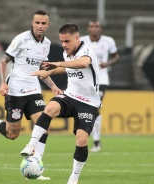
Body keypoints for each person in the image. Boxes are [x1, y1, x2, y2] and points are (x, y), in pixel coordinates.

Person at [0, 10, 62, 180]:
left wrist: (54, 87)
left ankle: (35, 164)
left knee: (44, 126)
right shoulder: (21, 39)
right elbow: (3, 60)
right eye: (37, 23)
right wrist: (3, 82)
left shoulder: (47, 43)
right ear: (32, 23)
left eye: (43, 23)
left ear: (48, 25)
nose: (40, 26)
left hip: (34, 90)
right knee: (12, 134)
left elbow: (41, 69)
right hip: (15, 91)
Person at [20, 23, 101, 184]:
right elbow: (67, 69)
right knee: (49, 107)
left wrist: (57, 63)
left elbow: (82, 63)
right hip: (70, 96)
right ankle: (31, 145)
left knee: (81, 140)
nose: (64, 45)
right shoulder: (67, 54)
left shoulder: (86, 51)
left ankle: (74, 176)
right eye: (62, 41)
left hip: (89, 103)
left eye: (67, 41)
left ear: (76, 38)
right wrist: (49, 72)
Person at [80, 20, 119, 152]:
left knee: (95, 108)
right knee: (85, 108)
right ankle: (88, 137)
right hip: (86, 80)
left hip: (101, 79)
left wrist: (107, 64)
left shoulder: (109, 41)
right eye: (92, 26)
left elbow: (115, 56)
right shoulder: (82, 41)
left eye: (96, 27)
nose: (94, 29)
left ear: (100, 29)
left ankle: (96, 141)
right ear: (88, 28)